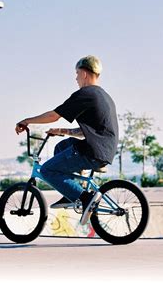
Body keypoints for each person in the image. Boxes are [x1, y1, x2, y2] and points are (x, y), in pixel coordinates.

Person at [15, 55, 119, 225]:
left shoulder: (85, 93)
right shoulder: (104, 96)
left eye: (77, 73)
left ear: (85, 74)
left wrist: (27, 121)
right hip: (103, 149)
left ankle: (85, 197)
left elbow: (53, 115)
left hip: (92, 151)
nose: (76, 78)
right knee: (62, 146)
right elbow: (89, 131)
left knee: (47, 171)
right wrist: (62, 131)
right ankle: (70, 192)